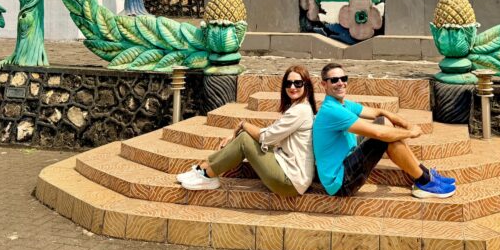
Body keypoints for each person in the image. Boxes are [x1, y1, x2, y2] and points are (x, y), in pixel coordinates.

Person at [313, 63, 456, 199]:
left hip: (347, 159)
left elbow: (379, 112)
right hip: (340, 183)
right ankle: (425, 181)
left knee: (384, 122)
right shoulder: (332, 110)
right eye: (334, 80)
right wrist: (410, 133)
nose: (340, 83)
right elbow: (379, 133)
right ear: (324, 84)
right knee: (384, 137)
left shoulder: (343, 104)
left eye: (343, 78)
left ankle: (425, 174)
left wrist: (407, 125)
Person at [176, 65, 316, 196]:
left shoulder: (300, 111)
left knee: (244, 139)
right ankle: (202, 170)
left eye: (298, 83)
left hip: (291, 181)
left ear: (306, 85)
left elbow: (266, 137)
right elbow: (272, 132)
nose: (292, 87)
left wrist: (242, 124)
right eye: (288, 83)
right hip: (291, 174)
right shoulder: (299, 108)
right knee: (245, 136)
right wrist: (240, 131)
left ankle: (206, 175)